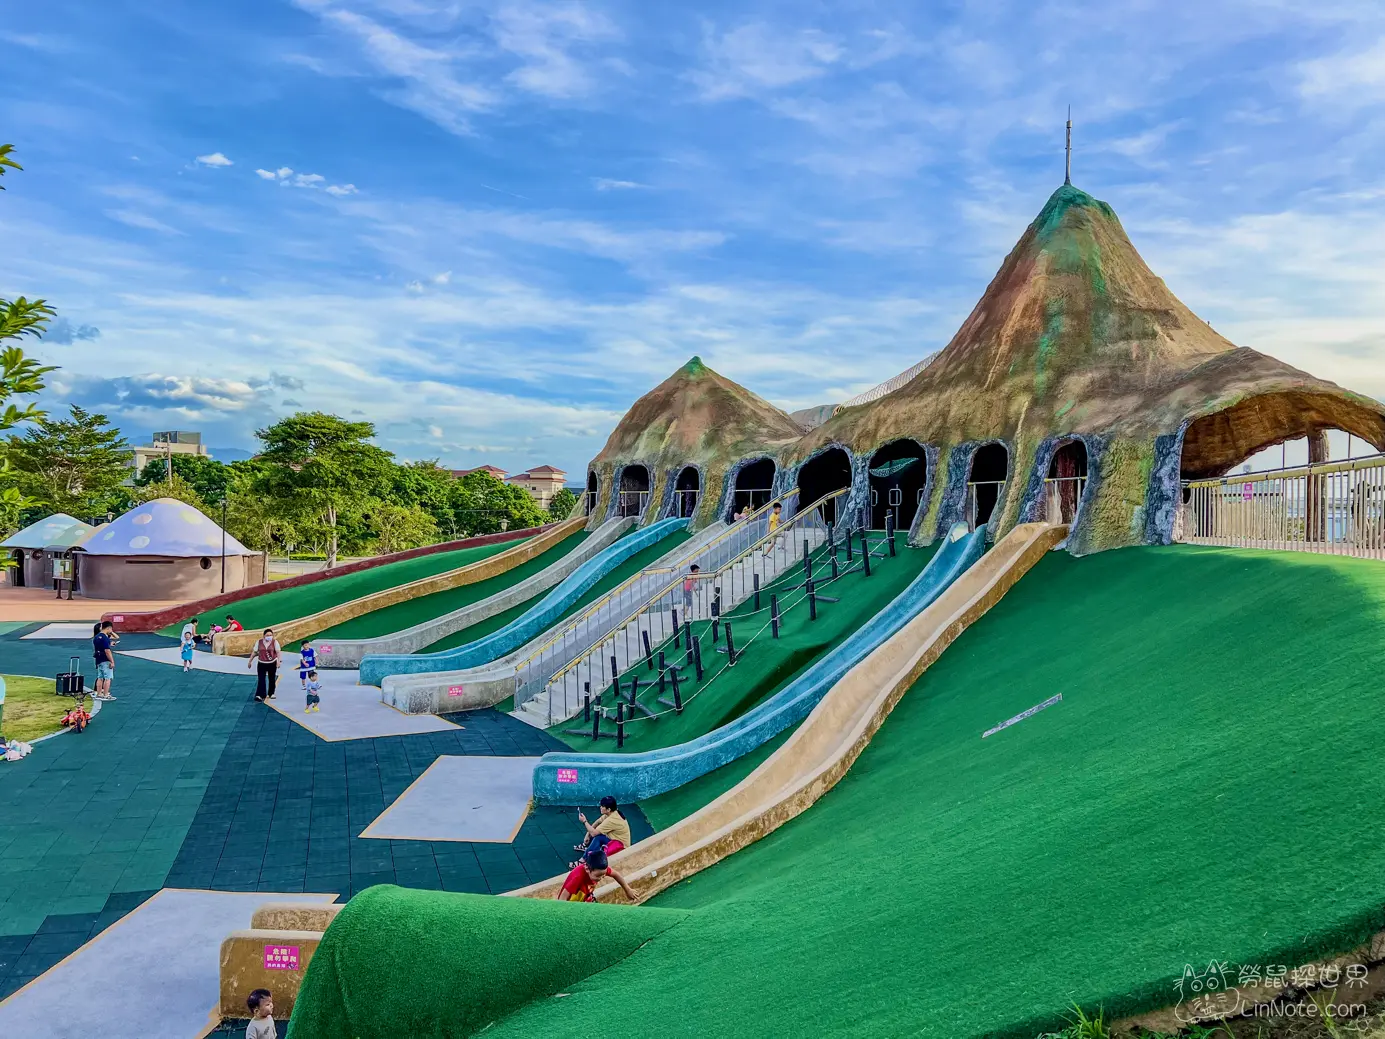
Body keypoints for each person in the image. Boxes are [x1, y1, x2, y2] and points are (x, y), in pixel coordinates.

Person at [555, 847, 637, 903]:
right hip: (572, 902)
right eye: (598, 876)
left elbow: (616, 874)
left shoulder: (598, 869)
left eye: (604, 874)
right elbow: (563, 898)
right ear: (587, 869)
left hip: (585, 897)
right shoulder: (578, 877)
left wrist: (628, 890)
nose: (601, 878)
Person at [248, 628, 281, 702]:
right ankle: (260, 695)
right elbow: (254, 652)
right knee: (261, 679)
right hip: (261, 663)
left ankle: (271, 693)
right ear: (264, 636)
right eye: (267, 635)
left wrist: (279, 661)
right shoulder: (259, 642)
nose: (269, 636)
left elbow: (278, 652)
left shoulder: (275, 642)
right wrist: (250, 661)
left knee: (272, 678)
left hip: (272, 663)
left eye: (270, 635)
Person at [92, 621, 117, 701]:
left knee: (100, 677)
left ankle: (99, 694)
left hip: (98, 659)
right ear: (108, 628)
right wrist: (112, 661)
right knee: (108, 678)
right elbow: (107, 651)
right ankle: (106, 694)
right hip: (105, 660)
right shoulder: (105, 638)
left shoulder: (96, 637)